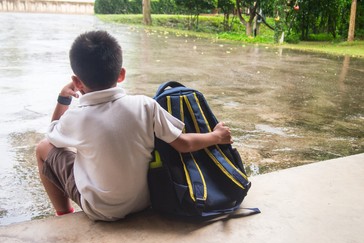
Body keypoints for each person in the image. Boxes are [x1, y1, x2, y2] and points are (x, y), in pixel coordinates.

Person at [35, 30, 233, 221]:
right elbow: (183, 143)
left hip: (100, 211)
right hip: (144, 203)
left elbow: (52, 134)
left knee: (43, 147)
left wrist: (63, 99)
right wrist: (217, 136)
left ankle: (64, 213)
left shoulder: (76, 117)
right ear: (121, 75)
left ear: (77, 82)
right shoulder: (145, 105)